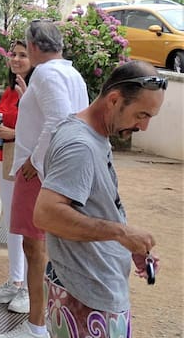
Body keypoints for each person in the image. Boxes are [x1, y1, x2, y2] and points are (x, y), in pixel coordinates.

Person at [35, 61, 164, 338]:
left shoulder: (93, 134)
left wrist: (126, 242)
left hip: (91, 291)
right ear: (114, 100)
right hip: (85, 297)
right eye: (141, 114)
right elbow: (46, 214)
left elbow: (95, 205)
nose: (144, 126)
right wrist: (120, 233)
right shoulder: (79, 145)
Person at [0, 20, 89, 338]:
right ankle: (42, 324)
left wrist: (35, 160)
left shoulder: (47, 73)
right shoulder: (71, 74)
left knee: (35, 249)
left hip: (41, 173)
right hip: (59, 170)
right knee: (44, 249)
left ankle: (36, 327)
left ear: (33, 46)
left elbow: (59, 119)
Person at [0, 41, 34, 314]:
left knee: (27, 225)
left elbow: (45, 128)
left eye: (23, 55)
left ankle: (28, 288)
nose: (15, 59)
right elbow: (5, 118)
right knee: (12, 223)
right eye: (13, 54)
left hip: (27, 165)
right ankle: (15, 281)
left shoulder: (36, 89)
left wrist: (14, 134)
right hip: (6, 161)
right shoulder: (10, 89)